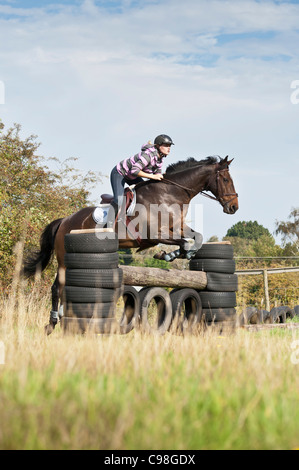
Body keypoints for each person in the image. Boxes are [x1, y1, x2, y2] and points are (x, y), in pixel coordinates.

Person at [107, 134, 174, 226]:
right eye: (166, 145)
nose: (168, 148)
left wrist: (165, 177)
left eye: (169, 146)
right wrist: (153, 177)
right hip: (120, 173)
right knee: (118, 200)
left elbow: (157, 175)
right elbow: (134, 170)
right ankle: (109, 224)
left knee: (147, 193)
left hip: (132, 176)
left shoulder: (160, 159)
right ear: (158, 146)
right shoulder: (148, 155)